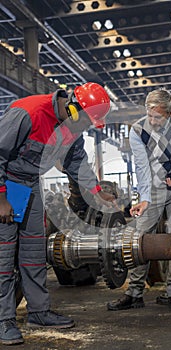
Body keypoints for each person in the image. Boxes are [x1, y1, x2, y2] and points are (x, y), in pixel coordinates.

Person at [0, 82, 116, 345]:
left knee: (33, 254)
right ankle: (3, 319)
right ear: (73, 107)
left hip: (30, 186)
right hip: (9, 184)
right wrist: (2, 197)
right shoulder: (28, 112)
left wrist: (97, 192)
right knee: (5, 257)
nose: (85, 127)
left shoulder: (71, 128)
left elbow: (76, 162)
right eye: (86, 121)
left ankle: (38, 312)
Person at [107, 88, 171, 313]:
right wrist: (145, 198)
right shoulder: (138, 130)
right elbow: (142, 167)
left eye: (158, 116)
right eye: (150, 115)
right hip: (154, 190)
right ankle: (135, 292)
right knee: (140, 235)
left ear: (170, 113)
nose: (153, 120)